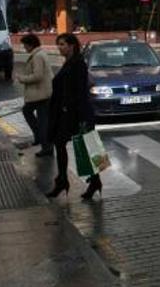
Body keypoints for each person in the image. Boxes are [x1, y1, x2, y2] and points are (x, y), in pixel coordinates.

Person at [46, 33, 102, 200]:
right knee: (60, 143)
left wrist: (66, 107)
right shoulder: (69, 63)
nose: (59, 47)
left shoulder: (78, 64)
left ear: (71, 46)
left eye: (62, 44)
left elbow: (78, 91)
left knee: (87, 148)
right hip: (67, 113)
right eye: (59, 44)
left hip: (75, 114)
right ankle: (64, 180)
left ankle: (89, 181)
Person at [16, 34, 54, 157]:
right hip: (43, 93)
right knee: (34, 115)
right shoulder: (40, 54)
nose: (24, 48)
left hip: (40, 94)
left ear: (30, 44)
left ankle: (45, 145)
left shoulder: (37, 56)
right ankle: (42, 140)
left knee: (41, 120)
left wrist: (22, 79)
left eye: (25, 45)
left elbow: (38, 75)